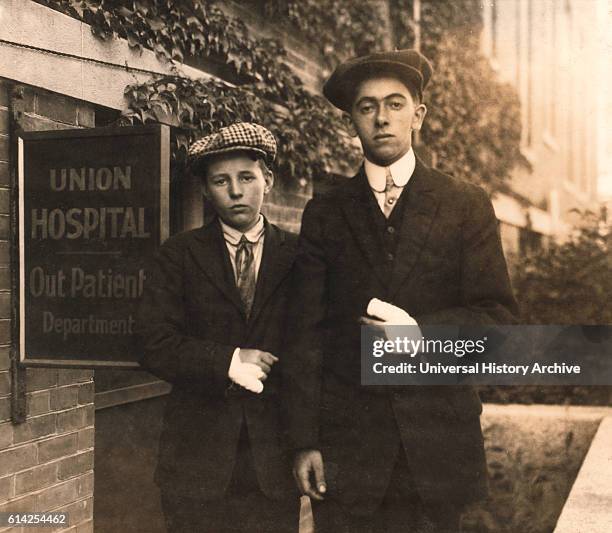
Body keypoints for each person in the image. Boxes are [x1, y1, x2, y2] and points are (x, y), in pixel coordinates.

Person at [283, 50, 519, 532]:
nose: (382, 118)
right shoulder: (325, 213)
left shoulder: (464, 205)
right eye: (366, 107)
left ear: (418, 115)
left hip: (436, 453)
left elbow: (497, 323)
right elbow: (304, 335)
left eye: (395, 103)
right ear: (352, 121)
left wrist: (419, 335)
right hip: (349, 455)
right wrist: (304, 441)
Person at [137, 122, 299, 532]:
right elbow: (152, 342)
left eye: (247, 177)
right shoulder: (178, 255)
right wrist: (228, 359)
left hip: (273, 464)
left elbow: (316, 345)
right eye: (220, 181)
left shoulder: (300, 255)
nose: (236, 191)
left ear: (269, 180)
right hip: (195, 462)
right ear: (207, 191)